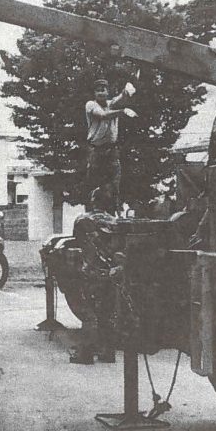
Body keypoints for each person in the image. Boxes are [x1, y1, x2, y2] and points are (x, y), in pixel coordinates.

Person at [69, 188, 120, 365]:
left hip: (90, 272)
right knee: (107, 312)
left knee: (89, 313)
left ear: (93, 201)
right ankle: (108, 352)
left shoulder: (83, 219)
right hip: (110, 272)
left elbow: (76, 243)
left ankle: (86, 353)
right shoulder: (115, 221)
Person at [84, 77, 138, 213]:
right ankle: (92, 215)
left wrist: (128, 90)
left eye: (103, 90)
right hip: (96, 150)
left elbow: (119, 99)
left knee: (114, 185)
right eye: (98, 91)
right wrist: (123, 111)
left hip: (112, 150)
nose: (101, 93)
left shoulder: (111, 103)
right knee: (95, 183)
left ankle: (113, 213)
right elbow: (103, 115)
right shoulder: (91, 105)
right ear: (94, 94)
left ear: (107, 92)